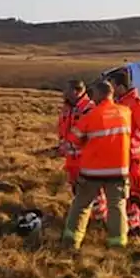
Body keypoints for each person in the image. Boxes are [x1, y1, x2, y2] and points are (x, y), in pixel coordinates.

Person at [61, 80, 131, 249]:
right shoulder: (126, 112)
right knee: (117, 207)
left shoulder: (91, 116)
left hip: (92, 171)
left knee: (81, 205)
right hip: (119, 170)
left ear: (99, 94)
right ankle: (118, 242)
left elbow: (74, 141)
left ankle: (72, 240)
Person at [107, 68, 140, 238]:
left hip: (134, 157)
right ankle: (133, 225)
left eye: (112, 85)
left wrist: (129, 143)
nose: (111, 89)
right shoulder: (118, 103)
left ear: (120, 86)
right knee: (126, 193)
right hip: (120, 157)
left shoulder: (136, 103)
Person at [57, 79, 107, 223]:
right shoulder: (67, 108)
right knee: (77, 191)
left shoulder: (89, 108)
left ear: (76, 91)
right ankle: (84, 218)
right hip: (71, 159)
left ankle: (100, 219)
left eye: (67, 90)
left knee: (94, 192)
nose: (64, 93)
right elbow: (63, 128)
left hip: (86, 159)